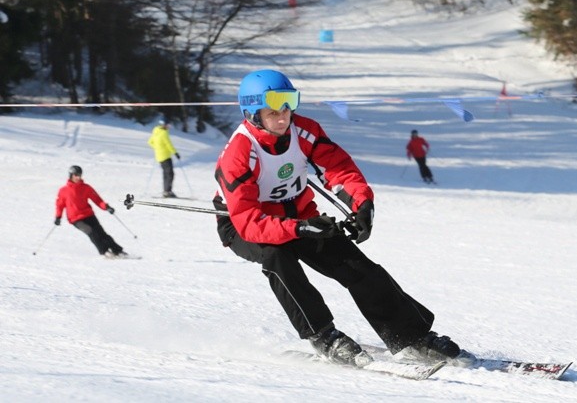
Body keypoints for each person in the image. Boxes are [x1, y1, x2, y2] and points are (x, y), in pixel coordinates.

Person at [213, 69, 466, 367]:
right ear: (252, 114)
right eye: (272, 112)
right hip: (245, 227)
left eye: (287, 107)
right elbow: (249, 222)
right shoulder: (240, 155)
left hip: (300, 216)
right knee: (277, 258)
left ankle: (410, 336)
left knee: (357, 266)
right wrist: (300, 228)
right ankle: (322, 335)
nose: (283, 118)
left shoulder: (304, 130)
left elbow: (339, 168)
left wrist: (361, 203)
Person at [54, 165, 128, 259]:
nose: (78, 177)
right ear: (71, 175)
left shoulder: (86, 188)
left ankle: (118, 251)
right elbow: (60, 205)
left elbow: (97, 200)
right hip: (75, 219)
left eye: (79, 175)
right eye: (76, 175)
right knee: (91, 232)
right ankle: (104, 251)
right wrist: (58, 217)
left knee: (101, 233)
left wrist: (106, 207)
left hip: (88, 215)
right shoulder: (63, 191)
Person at [148, 119, 181, 197]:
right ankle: (167, 191)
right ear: (164, 125)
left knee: (166, 173)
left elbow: (150, 142)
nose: (169, 127)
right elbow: (168, 144)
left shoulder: (156, 131)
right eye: (167, 125)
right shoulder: (164, 133)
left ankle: (166, 190)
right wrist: (175, 153)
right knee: (170, 174)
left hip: (159, 156)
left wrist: (157, 148)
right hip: (165, 156)